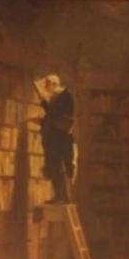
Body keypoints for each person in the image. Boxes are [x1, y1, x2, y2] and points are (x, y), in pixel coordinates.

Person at [34, 74, 76, 203]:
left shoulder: (65, 96)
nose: (46, 89)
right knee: (53, 167)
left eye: (47, 86)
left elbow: (55, 114)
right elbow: (53, 118)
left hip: (60, 139)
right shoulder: (56, 97)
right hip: (54, 138)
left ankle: (64, 197)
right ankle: (58, 196)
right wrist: (42, 122)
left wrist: (43, 102)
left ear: (54, 84)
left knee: (59, 167)